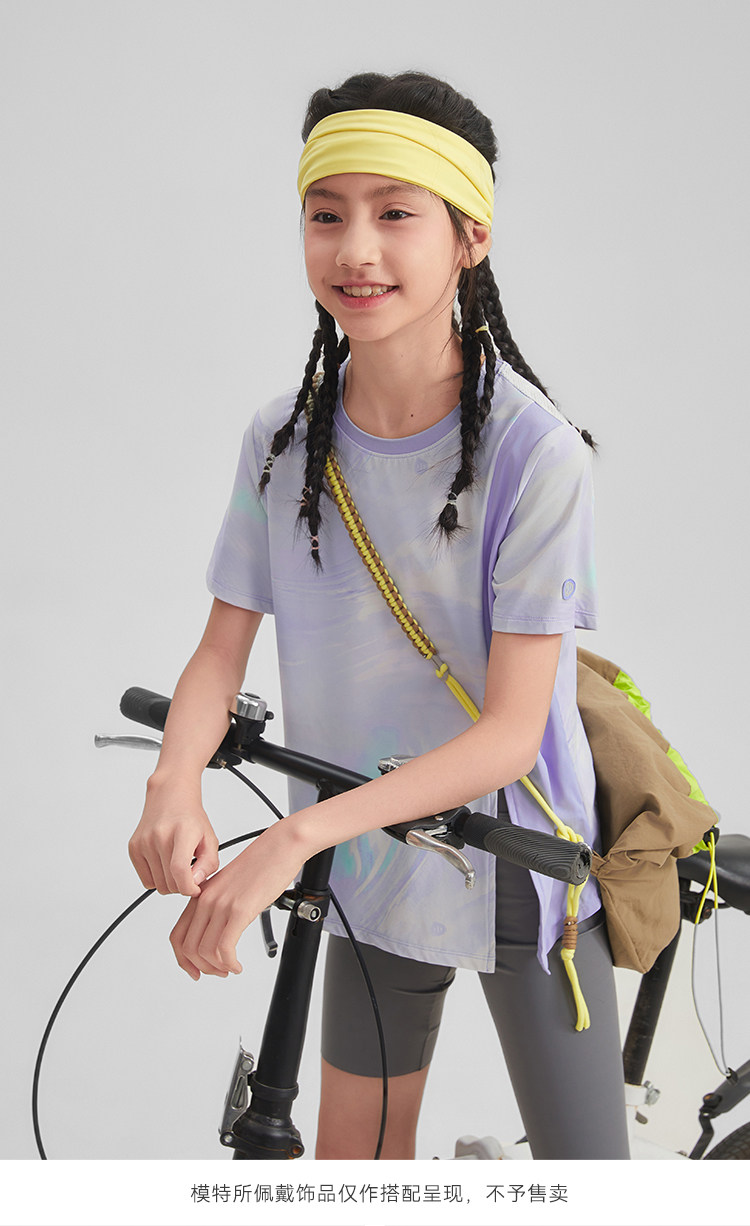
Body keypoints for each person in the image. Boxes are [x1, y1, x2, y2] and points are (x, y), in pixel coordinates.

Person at [128, 71, 630, 1160]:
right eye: (326, 214)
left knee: (591, 1181)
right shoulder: (282, 440)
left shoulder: (534, 454)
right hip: (363, 863)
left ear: (470, 237)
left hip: (509, 858)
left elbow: (510, 735)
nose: (355, 249)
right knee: (355, 1171)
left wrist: (297, 834)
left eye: (396, 213)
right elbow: (220, 651)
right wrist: (172, 781)